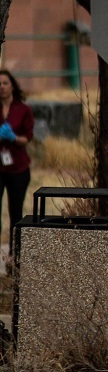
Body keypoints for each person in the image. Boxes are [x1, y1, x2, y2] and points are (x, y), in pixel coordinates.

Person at [0, 70, 33, 255]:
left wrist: (13, 137)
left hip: (18, 168)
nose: (2, 87)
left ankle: (15, 255)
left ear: (12, 85)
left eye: (5, 83)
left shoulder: (23, 110)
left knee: (15, 212)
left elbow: (28, 138)